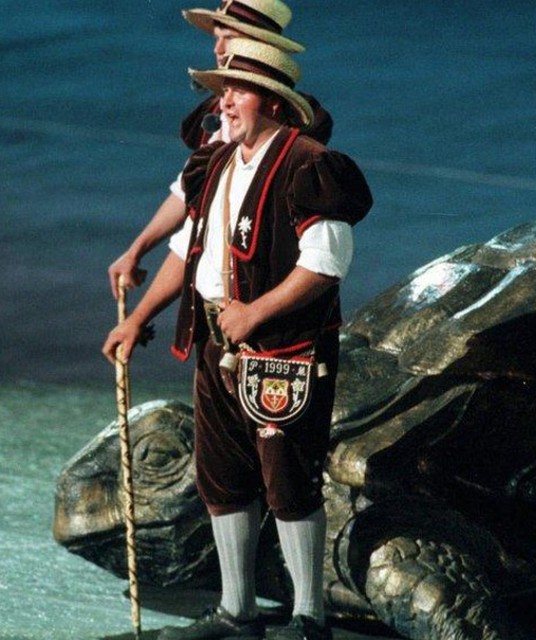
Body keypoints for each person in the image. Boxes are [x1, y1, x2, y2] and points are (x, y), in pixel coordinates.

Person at [103, 38, 372, 640]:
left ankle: (309, 618)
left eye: (236, 91)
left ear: (273, 101)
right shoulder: (219, 161)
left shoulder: (307, 163)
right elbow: (188, 250)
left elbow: (328, 261)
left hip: (282, 353)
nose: (222, 104)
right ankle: (238, 610)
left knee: (287, 479)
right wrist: (138, 318)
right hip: (217, 345)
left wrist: (256, 314)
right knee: (222, 477)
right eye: (221, 90)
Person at [107, 0, 333, 301]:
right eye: (216, 38)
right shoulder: (224, 116)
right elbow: (188, 192)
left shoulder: (288, 129)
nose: (218, 50)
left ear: (261, 43)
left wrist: (139, 317)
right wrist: (137, 250)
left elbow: (203, 226)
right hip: (214, 291)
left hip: (255, 300)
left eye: (229, 37)